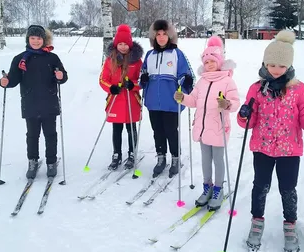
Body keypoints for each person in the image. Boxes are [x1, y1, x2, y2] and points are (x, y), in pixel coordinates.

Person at [237, 30, 304, 252]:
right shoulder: (257, 89)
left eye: (281, 66)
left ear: (289, 66)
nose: (276, 70)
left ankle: (290, 225)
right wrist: (244, 114)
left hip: (289, 151)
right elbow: (249, 121)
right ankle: (257, 222)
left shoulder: (299, 90)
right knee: (260, 186)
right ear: (265, 63)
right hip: (263, 148)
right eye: (272, 64)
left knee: (288, 189)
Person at [174, 36, 240, 210]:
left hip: (218, 128)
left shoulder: (227, 80)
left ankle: (218, 188)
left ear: (220, 62)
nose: (210, 64)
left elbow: (235, 103)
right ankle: (207, 187)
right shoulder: (202, 81)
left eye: (213, 61)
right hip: (202, 129)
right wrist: (183, 98)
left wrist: (227, 104)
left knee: (218, 160)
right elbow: (194, 100)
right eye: (207, 61)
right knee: (205, 160)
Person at [0, 25, 68, 179]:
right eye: (33, 38)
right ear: (28, 39)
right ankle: (32, 161)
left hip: (49, 102)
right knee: (32, 135)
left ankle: (51, 162)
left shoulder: (52, 57)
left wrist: (60, 76)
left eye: (39, 38)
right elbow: (13, 80)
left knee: (50, 134)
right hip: (30, 102)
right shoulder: (20, 59)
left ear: (44, 40)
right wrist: (5, 81)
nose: (36, 41)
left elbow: (63, 77)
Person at [140, 19, 194, 178]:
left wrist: (186, 81)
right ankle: (161, 157)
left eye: (164, 34)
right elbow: (141, 75)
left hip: (171, 101)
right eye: (158, 34)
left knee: (171, 131)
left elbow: (187, 74)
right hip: (153, 102)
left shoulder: (177, 54)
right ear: (154, 37)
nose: (161, 37)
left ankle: (175, 158)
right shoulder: (149, 55)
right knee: (157, 131)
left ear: (170, 36)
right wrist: (142, 79)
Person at [99, 24, 143, 170]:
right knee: (116, 129)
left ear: (130, 44)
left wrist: (134, 85)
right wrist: (111, 88)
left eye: (126, 44)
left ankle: (132, 153)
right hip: (115, 100)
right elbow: (102, 79)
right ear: (116, 44)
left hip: (131, 100)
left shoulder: (137, 62)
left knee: (131, 128)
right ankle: (116, 154)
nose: (123, 47)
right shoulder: (109, 61)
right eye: (120, 44)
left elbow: (142, 80)